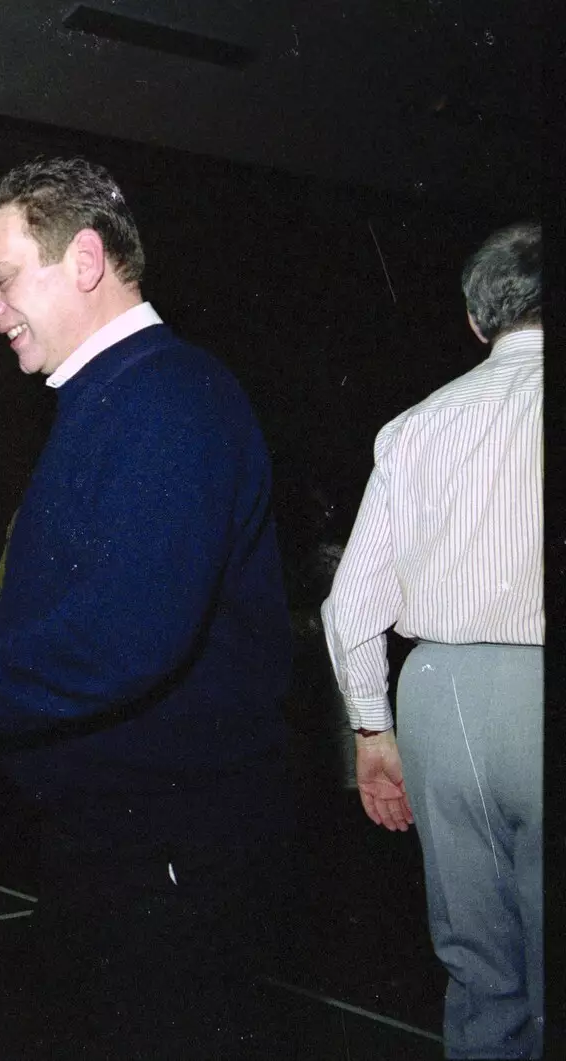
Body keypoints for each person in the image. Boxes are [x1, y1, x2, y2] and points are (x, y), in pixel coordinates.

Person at [0, 157, 293, 1059]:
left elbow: (133, 628)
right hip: (115, 833)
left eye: (1, 279)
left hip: (168, 839)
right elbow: (87, 598)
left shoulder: (170, 397)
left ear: (86, 259)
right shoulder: (108, 397)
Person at [320, 221, 542, 1059]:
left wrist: (373, 731)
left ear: (476, 322)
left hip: (441, 696)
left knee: (481, 965)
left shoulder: (417, 424)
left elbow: (351, 604)